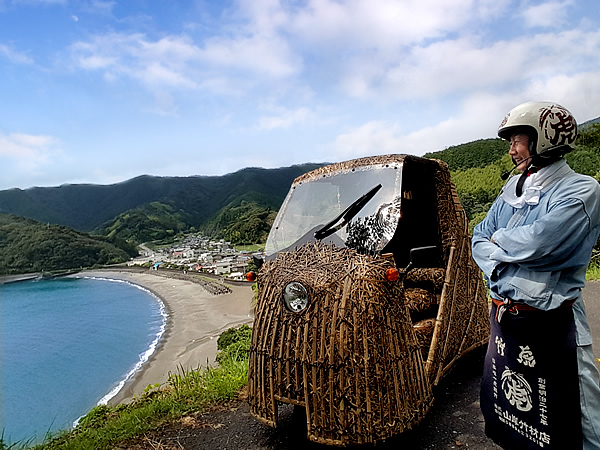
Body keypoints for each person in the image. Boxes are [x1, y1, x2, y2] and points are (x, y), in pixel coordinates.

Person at [472, 101, 600, 449]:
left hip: (554, 322)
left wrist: (497, 247)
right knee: (517, 409)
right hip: (508, 319)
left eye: (518, 140)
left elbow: (543, 244)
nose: (512, 150)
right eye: (511, 141)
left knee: (578, 410)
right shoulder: (513, 188)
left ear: (545, 138)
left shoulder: (581, 189)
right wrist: (506, 253)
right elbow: (477, 237)